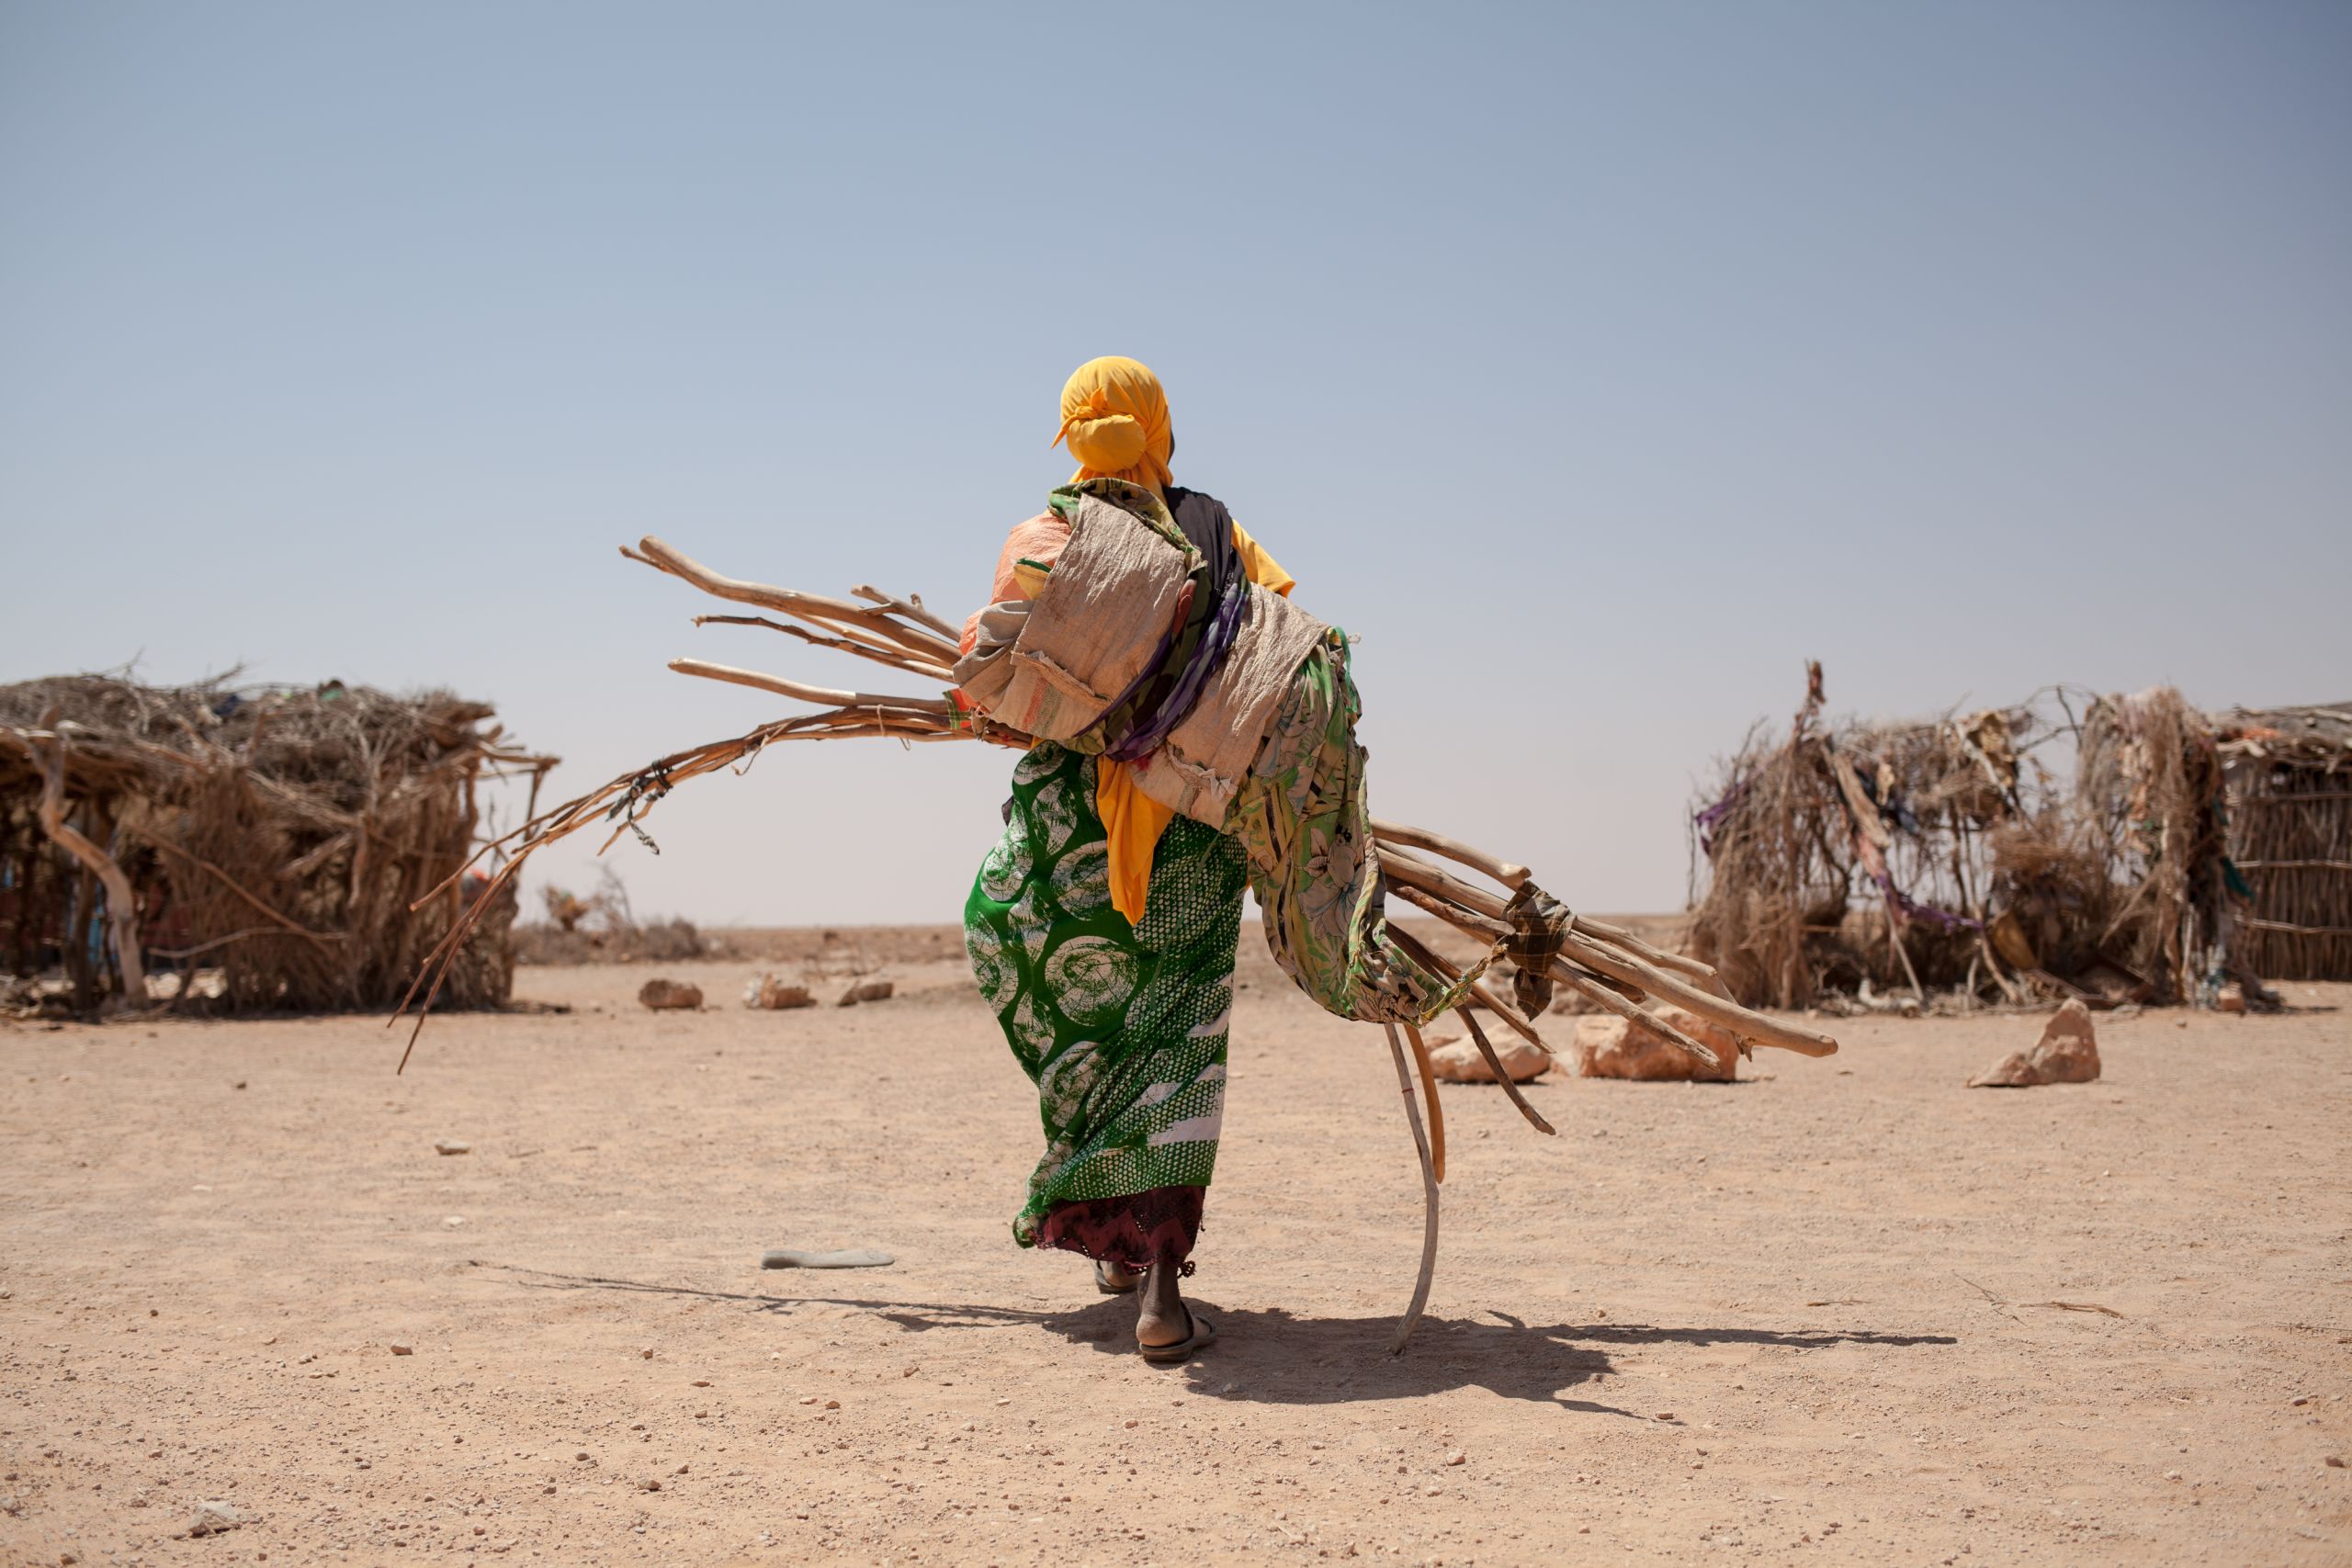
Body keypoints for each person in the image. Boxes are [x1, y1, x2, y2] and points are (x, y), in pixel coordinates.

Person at [956, 356, 1293, 1362]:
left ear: (1069, 436)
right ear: (1160, 428)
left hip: (1068, 840)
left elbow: (988, 701)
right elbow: (1278, 660)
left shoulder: (1043, 541)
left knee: (1072, 1018)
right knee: (1173, 1049)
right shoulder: (1217, 537)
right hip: (1186, 829)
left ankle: (1104, 1226)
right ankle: (1155, 1290)